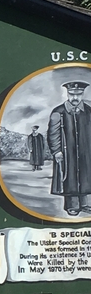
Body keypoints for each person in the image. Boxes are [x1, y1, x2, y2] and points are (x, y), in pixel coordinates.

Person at [47, 80, 91, 215]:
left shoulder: (89, 111)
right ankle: (72, 206)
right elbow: (53, 134)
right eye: (72, 94)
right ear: (68, 94)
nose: (75, 98)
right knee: (70, 177)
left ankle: (86, 204)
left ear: (83, 94)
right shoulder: (58, 112)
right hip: (67, 153)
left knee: (86, 176)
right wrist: (56, 151)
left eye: (78, 94)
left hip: (86, 151)